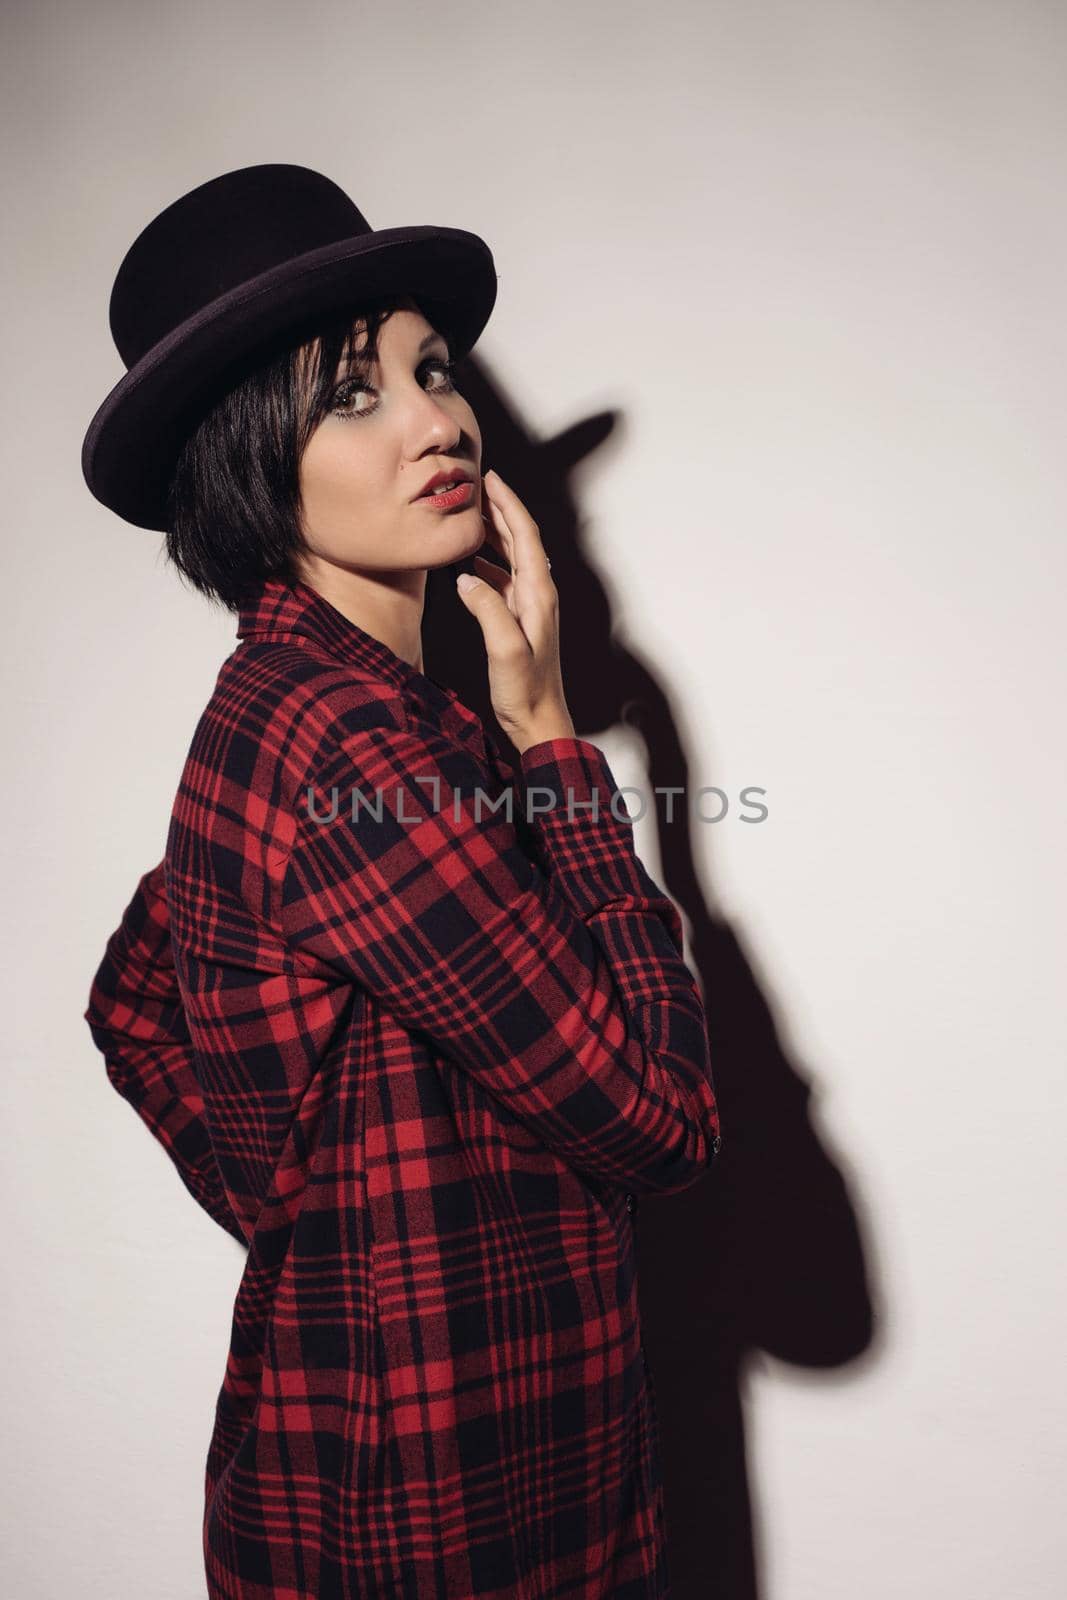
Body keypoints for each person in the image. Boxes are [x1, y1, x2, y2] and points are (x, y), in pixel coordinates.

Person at [82, 163, 722, 1600]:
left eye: (431, 369)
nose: (442, 418)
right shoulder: (344, 737)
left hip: (475, 1486)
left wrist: (312, 1225)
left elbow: (132, 999)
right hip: (436, 1535)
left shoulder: (338, 710)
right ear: (249, 454)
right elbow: (665, 1122)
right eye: (355, 392)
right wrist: (560, 737)